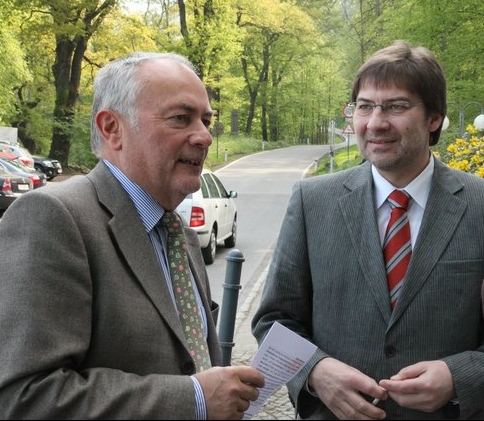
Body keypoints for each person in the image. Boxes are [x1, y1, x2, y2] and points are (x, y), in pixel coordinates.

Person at [0, 52, 264, 419]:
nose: (205, 136)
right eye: (180, 118)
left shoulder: (181, 237)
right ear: (112, 128)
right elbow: (24, 398)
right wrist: (194, 399)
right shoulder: (53, 217)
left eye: (206, 121)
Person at [252, 40, 484, 420]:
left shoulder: (479, 205)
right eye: (364, 106)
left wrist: (461, 377)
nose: (375, 122)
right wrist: (315, 372)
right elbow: (273, 321)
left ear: (434, 118)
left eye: (396, 106)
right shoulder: (313, 202)